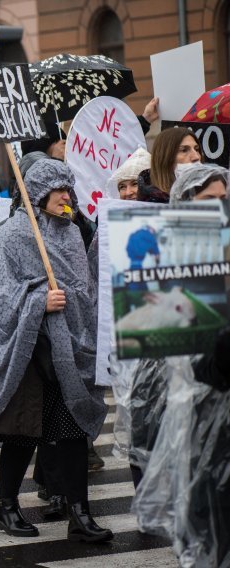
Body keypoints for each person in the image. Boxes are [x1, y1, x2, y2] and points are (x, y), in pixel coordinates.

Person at [0, 160, 112, 543]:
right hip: (27, 354)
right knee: (23, 433)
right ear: (38, 193)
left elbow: (84, 286)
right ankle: (6, 506)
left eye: (69, 189)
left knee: (74, 431)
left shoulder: (72, 234)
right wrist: (38, 300)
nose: (67, 196)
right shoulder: (11, 236)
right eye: (59, 190)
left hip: (70, 351)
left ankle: (80, 513)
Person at [130, 164, 229, 566]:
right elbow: (156, 379)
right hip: (199, 423)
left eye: (225, 200)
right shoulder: (163, 265)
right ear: (185, 205)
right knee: (209, 533)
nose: (221, 210)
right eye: (210, 202)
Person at [150, 126, 201, 194]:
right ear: (165, 158)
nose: (196, 157)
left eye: (197, 149)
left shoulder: (213, 195)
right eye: (184, 150)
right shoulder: (146, 201)